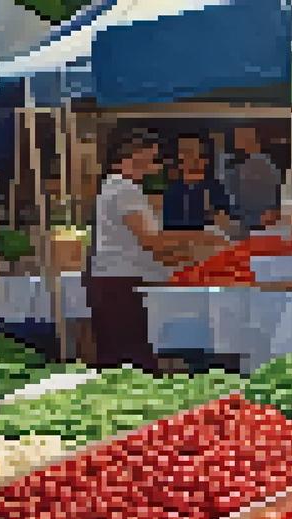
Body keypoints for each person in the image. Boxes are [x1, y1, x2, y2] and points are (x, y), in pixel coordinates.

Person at [88, 129, 215, 371]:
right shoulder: (125, 191)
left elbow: (145, 244)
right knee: (132, 357)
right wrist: (202, 238)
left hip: (115, 279)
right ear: (135, 156)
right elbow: (150, 241)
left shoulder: (115, 187)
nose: (157, 165)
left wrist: (183, 256)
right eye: (153, 158)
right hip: (123, 282)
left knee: (120, 355)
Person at [162, 134, 232, 233]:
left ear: (204, 160)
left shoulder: (215, 189)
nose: (185, 157)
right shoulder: (171, 191)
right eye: (183, 152)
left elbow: (223, 222)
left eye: (190, 153)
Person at [227, 126, 282, 234]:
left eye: (245, 138)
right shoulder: (234, 168)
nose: (240, 142)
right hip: (243, 225)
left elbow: (278, 192)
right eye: (238, 138)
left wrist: (275, 211)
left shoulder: (269, 166)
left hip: (267, 224)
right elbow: (232, 198)